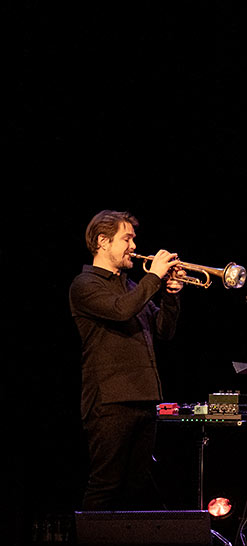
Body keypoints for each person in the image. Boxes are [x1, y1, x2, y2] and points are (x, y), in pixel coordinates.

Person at [69, 210, 182, 510]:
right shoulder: (85, 285)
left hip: (144, 397)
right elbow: (121, 311)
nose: (134, 245)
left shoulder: (132, 287)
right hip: (110, 402)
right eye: (127, 238)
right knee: (104, 485)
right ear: (103, 242)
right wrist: (154, 277)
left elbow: (164, 332)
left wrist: (170, 294)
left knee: (137, 488)